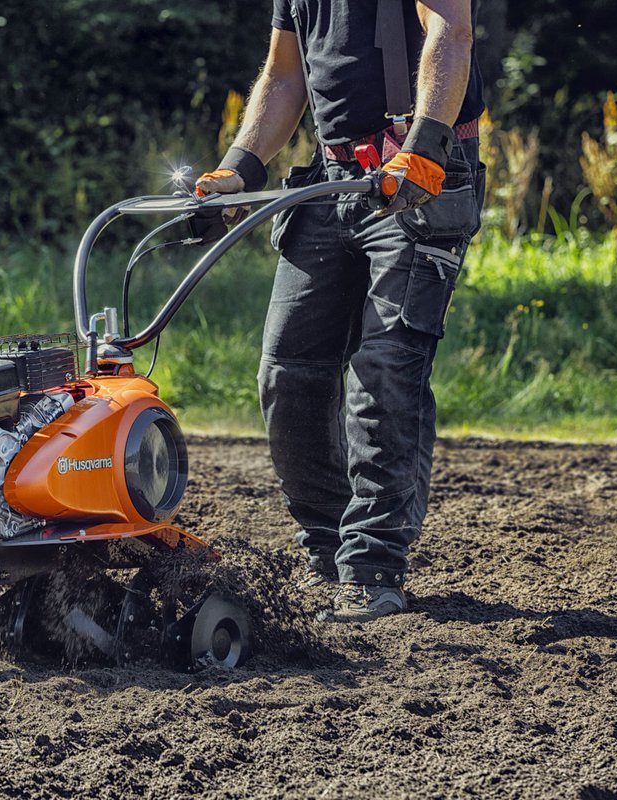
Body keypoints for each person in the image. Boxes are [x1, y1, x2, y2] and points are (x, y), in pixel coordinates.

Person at [195, 0, 485, 621]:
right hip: (332, 181)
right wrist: (238, 169)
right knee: (286, 372)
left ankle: (373, 566)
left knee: (384, 369)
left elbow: (450, 31)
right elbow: (284, 75)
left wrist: (426, 144)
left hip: (422, 175)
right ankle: (328, 549)